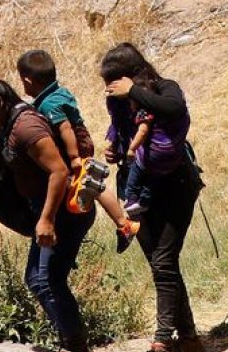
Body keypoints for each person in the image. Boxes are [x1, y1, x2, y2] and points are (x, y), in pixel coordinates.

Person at [0, 76, 98, 352]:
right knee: (37, 279)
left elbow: (59, 172)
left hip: (63, 212)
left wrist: (47, 219)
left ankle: (78, 351)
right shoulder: (7, 126)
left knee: (48, 279)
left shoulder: (26, 127)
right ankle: (71, 346)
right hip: (46, 211)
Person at [101, 44, 205, 352]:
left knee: (163, 264)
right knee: (163, 266)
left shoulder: (165, 88)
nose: (112, 89)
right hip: (138, 191)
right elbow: (121, 131)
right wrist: (114, 147)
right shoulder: (118, 103)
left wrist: (133, 91)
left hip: (175, 188)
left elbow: (173, 108)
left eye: (116, 81)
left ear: (131, 75)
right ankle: (188, 340)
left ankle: (161, 347)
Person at [14, 49, 136, 242]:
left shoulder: (48, 104)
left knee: (92, 186)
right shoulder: (59, 93)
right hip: (81, 140)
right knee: (89, 184)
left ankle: (124, 224)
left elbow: (65, 129)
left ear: (28, 81)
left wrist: (73, 157)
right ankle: (119, 223)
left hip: (75, 145)